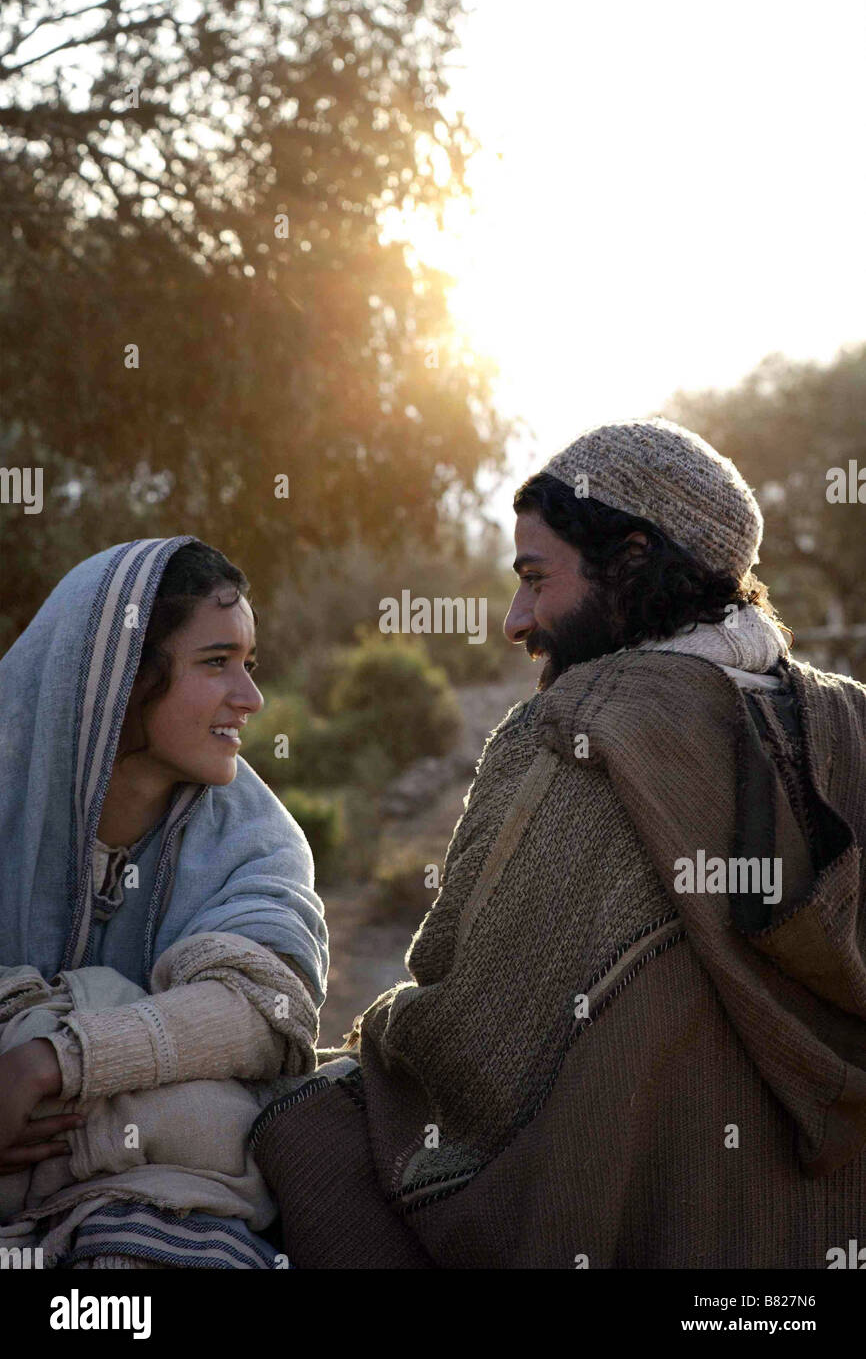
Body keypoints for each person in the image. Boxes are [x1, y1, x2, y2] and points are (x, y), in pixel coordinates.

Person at [250, 418, 866, 1269]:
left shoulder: (567, 739)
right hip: (811, 1234)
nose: (516, 619)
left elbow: (462, 1037)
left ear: (633, 562)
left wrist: (367, 1047)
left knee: (301, 1130)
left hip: (613, 1223)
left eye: (536, 580)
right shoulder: (845, 729)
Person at [0, 536, 328, 1269]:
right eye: (216, 663)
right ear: (120, 675)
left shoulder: (257, 839)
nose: (250, 698)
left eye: (250, 663)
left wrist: (51, 1060)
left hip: (165, 1202)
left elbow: (262, 1012)